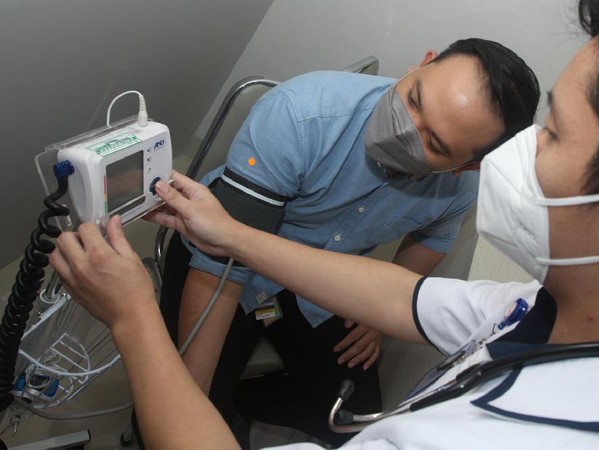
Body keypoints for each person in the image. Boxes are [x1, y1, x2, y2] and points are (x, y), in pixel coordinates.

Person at [51, 0, 599, 448]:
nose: (515, 160)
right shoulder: (589, 324)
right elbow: (408, 298)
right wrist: (237, 236)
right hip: (245, 267)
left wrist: (130, 318)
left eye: (553, 134)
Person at [160, 37, 539, 448]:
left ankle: (239, 402)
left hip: (321, 282)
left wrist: (378, 315)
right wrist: (187, 408)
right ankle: (215, 404)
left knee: (354, 420)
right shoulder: (301, 114)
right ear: (422, 63)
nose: (405, 129)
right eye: (414, 100)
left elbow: (434, 238)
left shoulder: (458, 189)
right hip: (227, 269)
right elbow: (219, 263)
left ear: (468, 166)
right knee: (174, 409)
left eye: (433, 144)